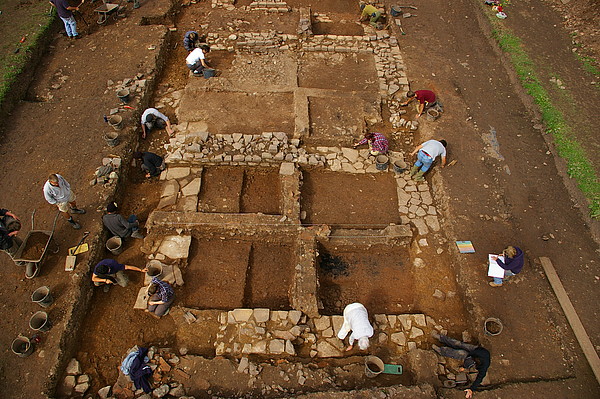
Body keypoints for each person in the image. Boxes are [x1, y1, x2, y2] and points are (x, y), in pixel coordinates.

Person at [432, 332, 490, 398]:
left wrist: (471, 389)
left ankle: (441, 350)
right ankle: (441, 338)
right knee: (459, 344)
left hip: (473, 356)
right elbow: (469, 355)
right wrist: (466, 362)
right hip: (474, 350)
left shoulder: (484, 367)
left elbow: (480, 378)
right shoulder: (480, 352)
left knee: (459, 353)